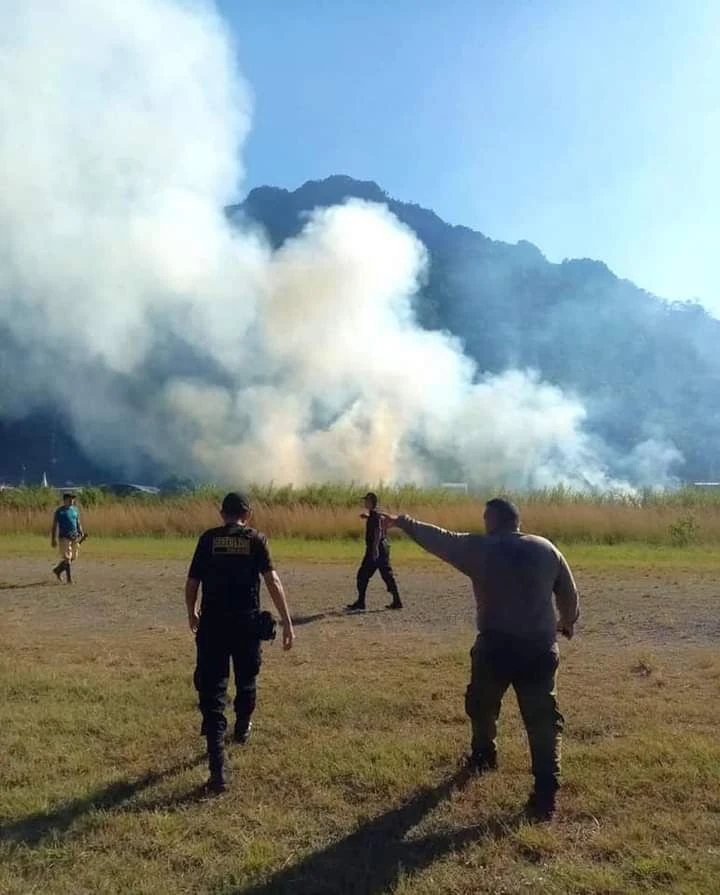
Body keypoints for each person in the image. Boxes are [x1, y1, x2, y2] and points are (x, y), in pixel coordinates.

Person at [381, 497, 579, 821]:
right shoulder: (546, 548)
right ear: (517, 521)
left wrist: (403, 521)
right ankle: (546, 793)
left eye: (486, 518)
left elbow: (439, 539)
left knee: (482, 706)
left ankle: (484, 756)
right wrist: (567, 621)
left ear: (493, 521)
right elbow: (569, 594)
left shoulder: (481, 548)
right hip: (539, 648)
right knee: (543, 721)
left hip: (494, 646)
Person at [185, 491, 295, 794]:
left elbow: (192, 583)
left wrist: (192, 612)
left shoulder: (208, 539)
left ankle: (217, 768)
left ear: (222, 514)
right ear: (248, 515)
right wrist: (287, 622)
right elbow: (272, 581)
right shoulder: (256, 540)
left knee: (213, 693)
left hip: (212, 626)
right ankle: (243, 726)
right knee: (247, 679)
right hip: (246, 626)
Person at [346, 491, 402, 612]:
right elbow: (379, 522)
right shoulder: (376, 513)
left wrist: (375, 548)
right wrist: (367, 517)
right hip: (382, 548)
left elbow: (378, 531)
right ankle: (397, 600)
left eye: (367, 501)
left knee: (362, 575)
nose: (365, 503)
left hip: (376, 548)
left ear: (371, 502)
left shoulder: (375, 515)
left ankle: (361, 602)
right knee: (386, 575)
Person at [50, 492, 85, 584]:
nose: (72, 501)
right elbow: (54, 525)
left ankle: (58, 570)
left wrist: (81, 531)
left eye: (72, 499)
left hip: (74, 536)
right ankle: (69, 580)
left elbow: (77, 522)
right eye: (70, 499)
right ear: (65, 500)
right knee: (67, 557)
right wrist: (53, 539)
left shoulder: (75, 510)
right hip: (64, 537)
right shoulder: (59, 511)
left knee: (73, 557)